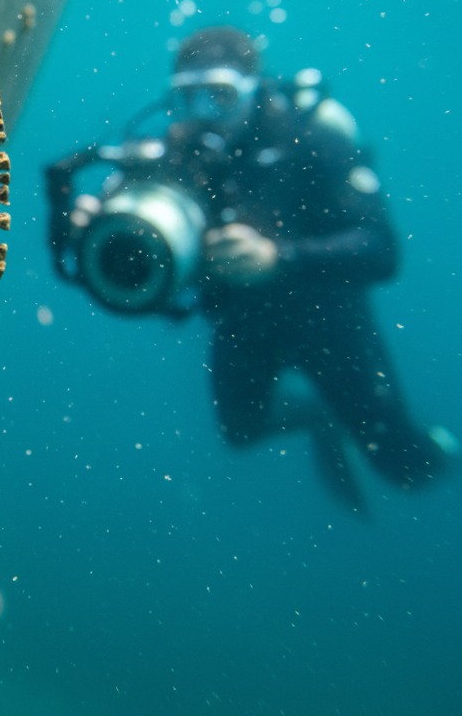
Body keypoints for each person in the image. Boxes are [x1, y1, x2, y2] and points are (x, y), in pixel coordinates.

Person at [47, 26, 454, 511]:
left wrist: (279, 257)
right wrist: (94, 227)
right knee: (241, 430)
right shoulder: (179, 150)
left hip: (330, 322)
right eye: (187, 98)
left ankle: (445, 449)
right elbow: (138, 249)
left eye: (219, 96)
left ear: (253, 88)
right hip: (243, 321)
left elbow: (381, 249)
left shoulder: (309, 139)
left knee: (407, 468)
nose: (203, 116)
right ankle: (318, 418)